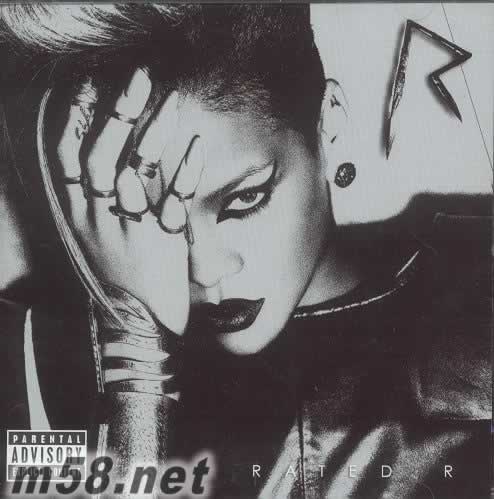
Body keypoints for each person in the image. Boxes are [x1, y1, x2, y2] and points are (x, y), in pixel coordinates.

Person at [0, 4, 491, 498]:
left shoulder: (479, 298)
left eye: (244, 199)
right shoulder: (31, 359)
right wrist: (135, 371)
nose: (204, 268)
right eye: (152, 218)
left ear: (327, 124)